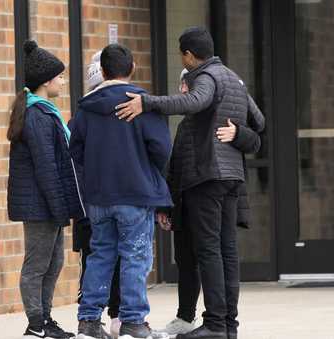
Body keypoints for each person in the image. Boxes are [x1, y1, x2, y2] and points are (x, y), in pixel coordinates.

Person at [116, 27, 265, 339]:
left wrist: (148, 102)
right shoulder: (233, 78)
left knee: (209, 251)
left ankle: (214, 324)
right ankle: (227, 326)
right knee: (226, 251)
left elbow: (196, 101)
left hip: (207, 177)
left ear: (188, 55)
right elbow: (259, 121)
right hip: (231, 179)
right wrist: (237, 131)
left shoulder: (206, 77)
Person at [70, 44, 173, 339]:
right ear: (133, 67)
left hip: (99, 197)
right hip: (135, 193)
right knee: (135, 256)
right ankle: (133, 322)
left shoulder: (86, 107)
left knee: (100, 255)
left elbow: (74, 148)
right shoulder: (141, 103)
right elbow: (162, 149)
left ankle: (88, 322)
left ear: (102, 71)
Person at [159, 70, 265, 339]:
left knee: (214, 252)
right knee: (197, 257)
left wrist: (238, 132)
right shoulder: (190, 125)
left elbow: (256, 132)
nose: (184, 92)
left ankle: (219, 324)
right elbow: (176, 167)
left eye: (186, 85)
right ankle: (214, 323)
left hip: (212, 192)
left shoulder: (220, 114)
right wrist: (167, 206)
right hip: (190, 196)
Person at [7, 40, 83, 339]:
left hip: (46, 203)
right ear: (46, 81)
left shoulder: (43, 111)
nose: (63, 81)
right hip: (39, 204)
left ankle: (45, 320)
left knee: (54, 262)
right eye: (60, 77)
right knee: (37, 264)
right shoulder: (37, 116)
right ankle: (36, 323)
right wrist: (59, 207)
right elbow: (46, 167)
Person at [72, 50, 122, 338]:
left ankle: (95, 318)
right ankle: (106, 316)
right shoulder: (123, 113)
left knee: (96, 261)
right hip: (96, 203)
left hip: (91, 203)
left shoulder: (81, 117)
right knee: (108, 261)